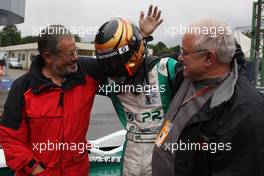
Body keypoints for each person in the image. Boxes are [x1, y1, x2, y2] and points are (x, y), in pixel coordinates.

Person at [0, 6, 163, 176]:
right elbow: (10, 139)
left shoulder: (87, 71)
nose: (75, 57)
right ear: (48, 57)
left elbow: (119, 63)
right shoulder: (22, 88)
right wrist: (36, 169)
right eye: (69, 54)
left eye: (76, 51)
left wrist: (140, 37)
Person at [152, 18, 264, 176]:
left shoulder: (246, 112)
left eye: (184, 52)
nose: (179, 57)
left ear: (209, 59)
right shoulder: (185, 74)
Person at [94, 6, 179, 176]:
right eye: (108, 62)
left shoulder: (166, 69)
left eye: (117, 60)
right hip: (131, 149)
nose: (113, 68)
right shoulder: (108, 80)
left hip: (164, 147)